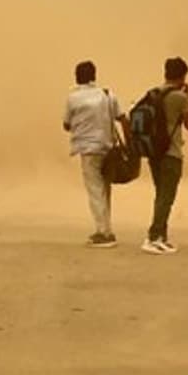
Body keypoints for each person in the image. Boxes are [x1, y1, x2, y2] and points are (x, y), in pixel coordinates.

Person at [62, 60, 129, 248]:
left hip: (88, 150)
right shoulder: (107, 95)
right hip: (107, 149)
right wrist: (130, 145)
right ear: (94, 76)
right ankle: (107, 229)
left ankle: (103, 233)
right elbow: (123, 119)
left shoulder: (73, 98)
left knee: (94, 191)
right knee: (105, 190)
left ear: (77, 77)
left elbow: (66, 124)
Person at [140, 57, 188, 256]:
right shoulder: (180, 98)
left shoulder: (153, 93)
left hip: (154, 152)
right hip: (171, 153)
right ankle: (154, 237)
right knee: (166, 197)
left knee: (160, 195)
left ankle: (161, 237)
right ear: (182, 76)